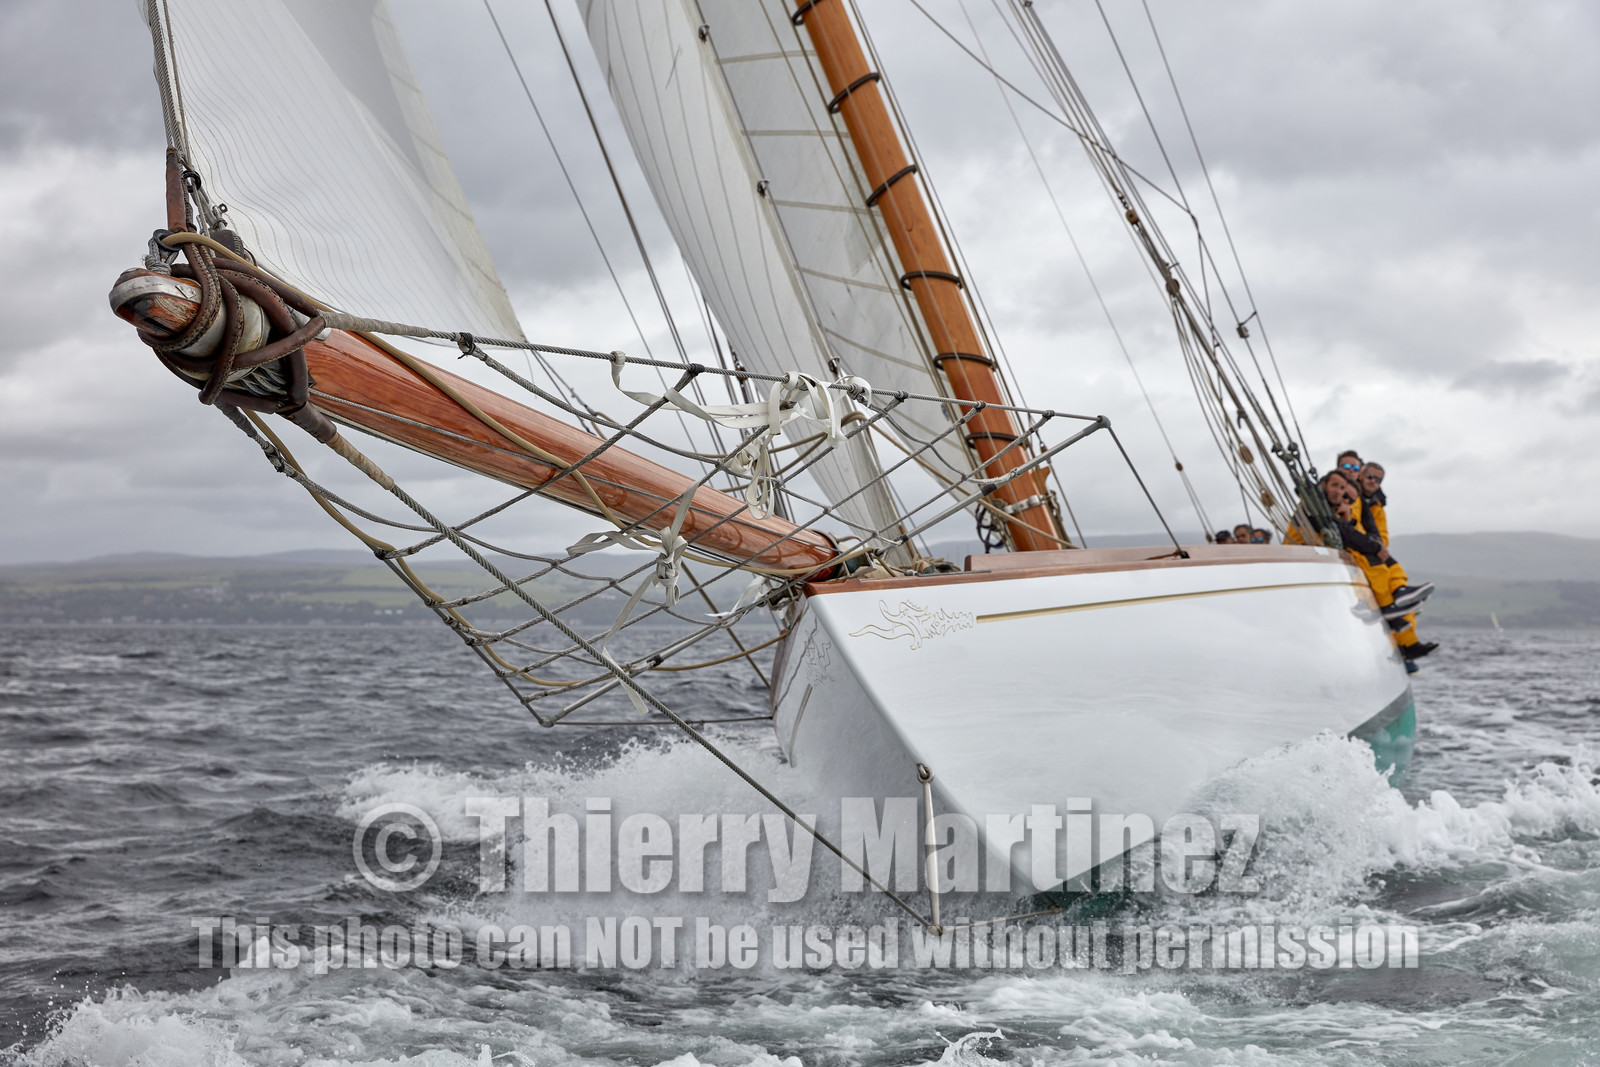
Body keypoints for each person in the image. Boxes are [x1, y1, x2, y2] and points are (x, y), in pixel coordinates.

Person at [1321, 471, 1436, 661]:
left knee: (1391, 576)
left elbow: (1375, 531)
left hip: (1362, 546)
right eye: (1337, 487)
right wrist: (1372, 544)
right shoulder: (1318, 508)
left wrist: (1374, 542)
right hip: (1350, 552)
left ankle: (1406, 639)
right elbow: (1346, 532)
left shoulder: (1371, 504)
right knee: (1373, 565)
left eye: (1378, 479)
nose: (1342, 493)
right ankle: (1386, 611)